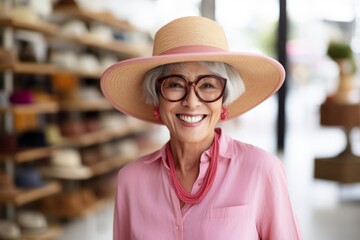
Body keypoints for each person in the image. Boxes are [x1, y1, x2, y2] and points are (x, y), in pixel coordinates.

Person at [101, 16, 302, 240]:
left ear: (223, 101)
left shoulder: (262, 170)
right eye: (176, 84)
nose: (192, 102)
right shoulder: (131, 180)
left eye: (207, 85)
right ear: (157, 98)